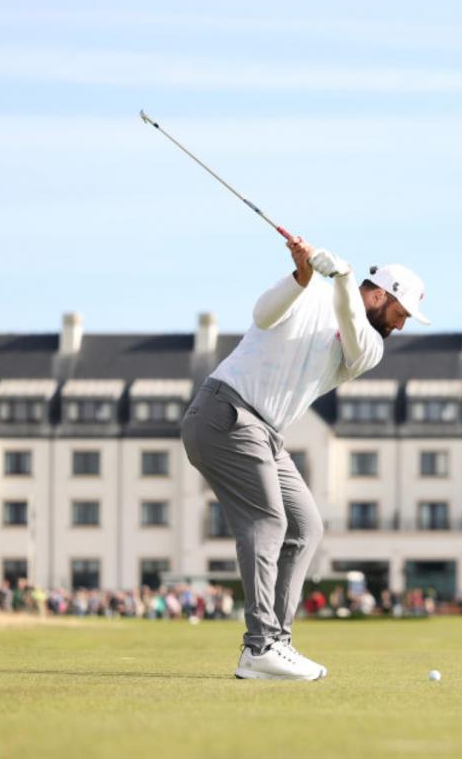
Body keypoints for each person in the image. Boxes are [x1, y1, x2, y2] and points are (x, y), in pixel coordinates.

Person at [182, 235, 429, 681]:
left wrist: (343, 279)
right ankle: (260, 648)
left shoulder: (369, 346)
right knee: (268, 522)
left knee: (305, 526)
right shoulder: (310, 290)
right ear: (379, 295)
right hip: (226, 412)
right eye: (400, 313)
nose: (402, 325)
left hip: (264, 432)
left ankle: (276, 641)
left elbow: (352, 334)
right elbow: (262, 315)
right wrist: (301, 276)